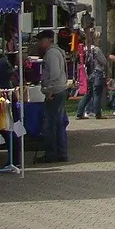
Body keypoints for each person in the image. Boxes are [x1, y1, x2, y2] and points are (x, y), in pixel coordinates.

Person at [36, 30, 69, 164]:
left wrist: (49, 90)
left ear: (47, 40)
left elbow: (55, 73)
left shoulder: (52, 54)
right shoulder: (55, 52)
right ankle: (61, 152)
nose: (39, 43)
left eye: (41, 40)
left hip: (55, 91)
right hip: (58, 90)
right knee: (58, 123)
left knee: (51, 124)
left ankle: (52, 153)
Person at [74, 30, 106, 120]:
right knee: (97, 93)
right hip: (97, 72)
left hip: (88, 73)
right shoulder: (96, 49)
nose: (99, 40)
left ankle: (79, 113)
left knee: (88, 94)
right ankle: (98, 113)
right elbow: (103, 61)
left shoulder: (83, 49)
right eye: (98, 38)